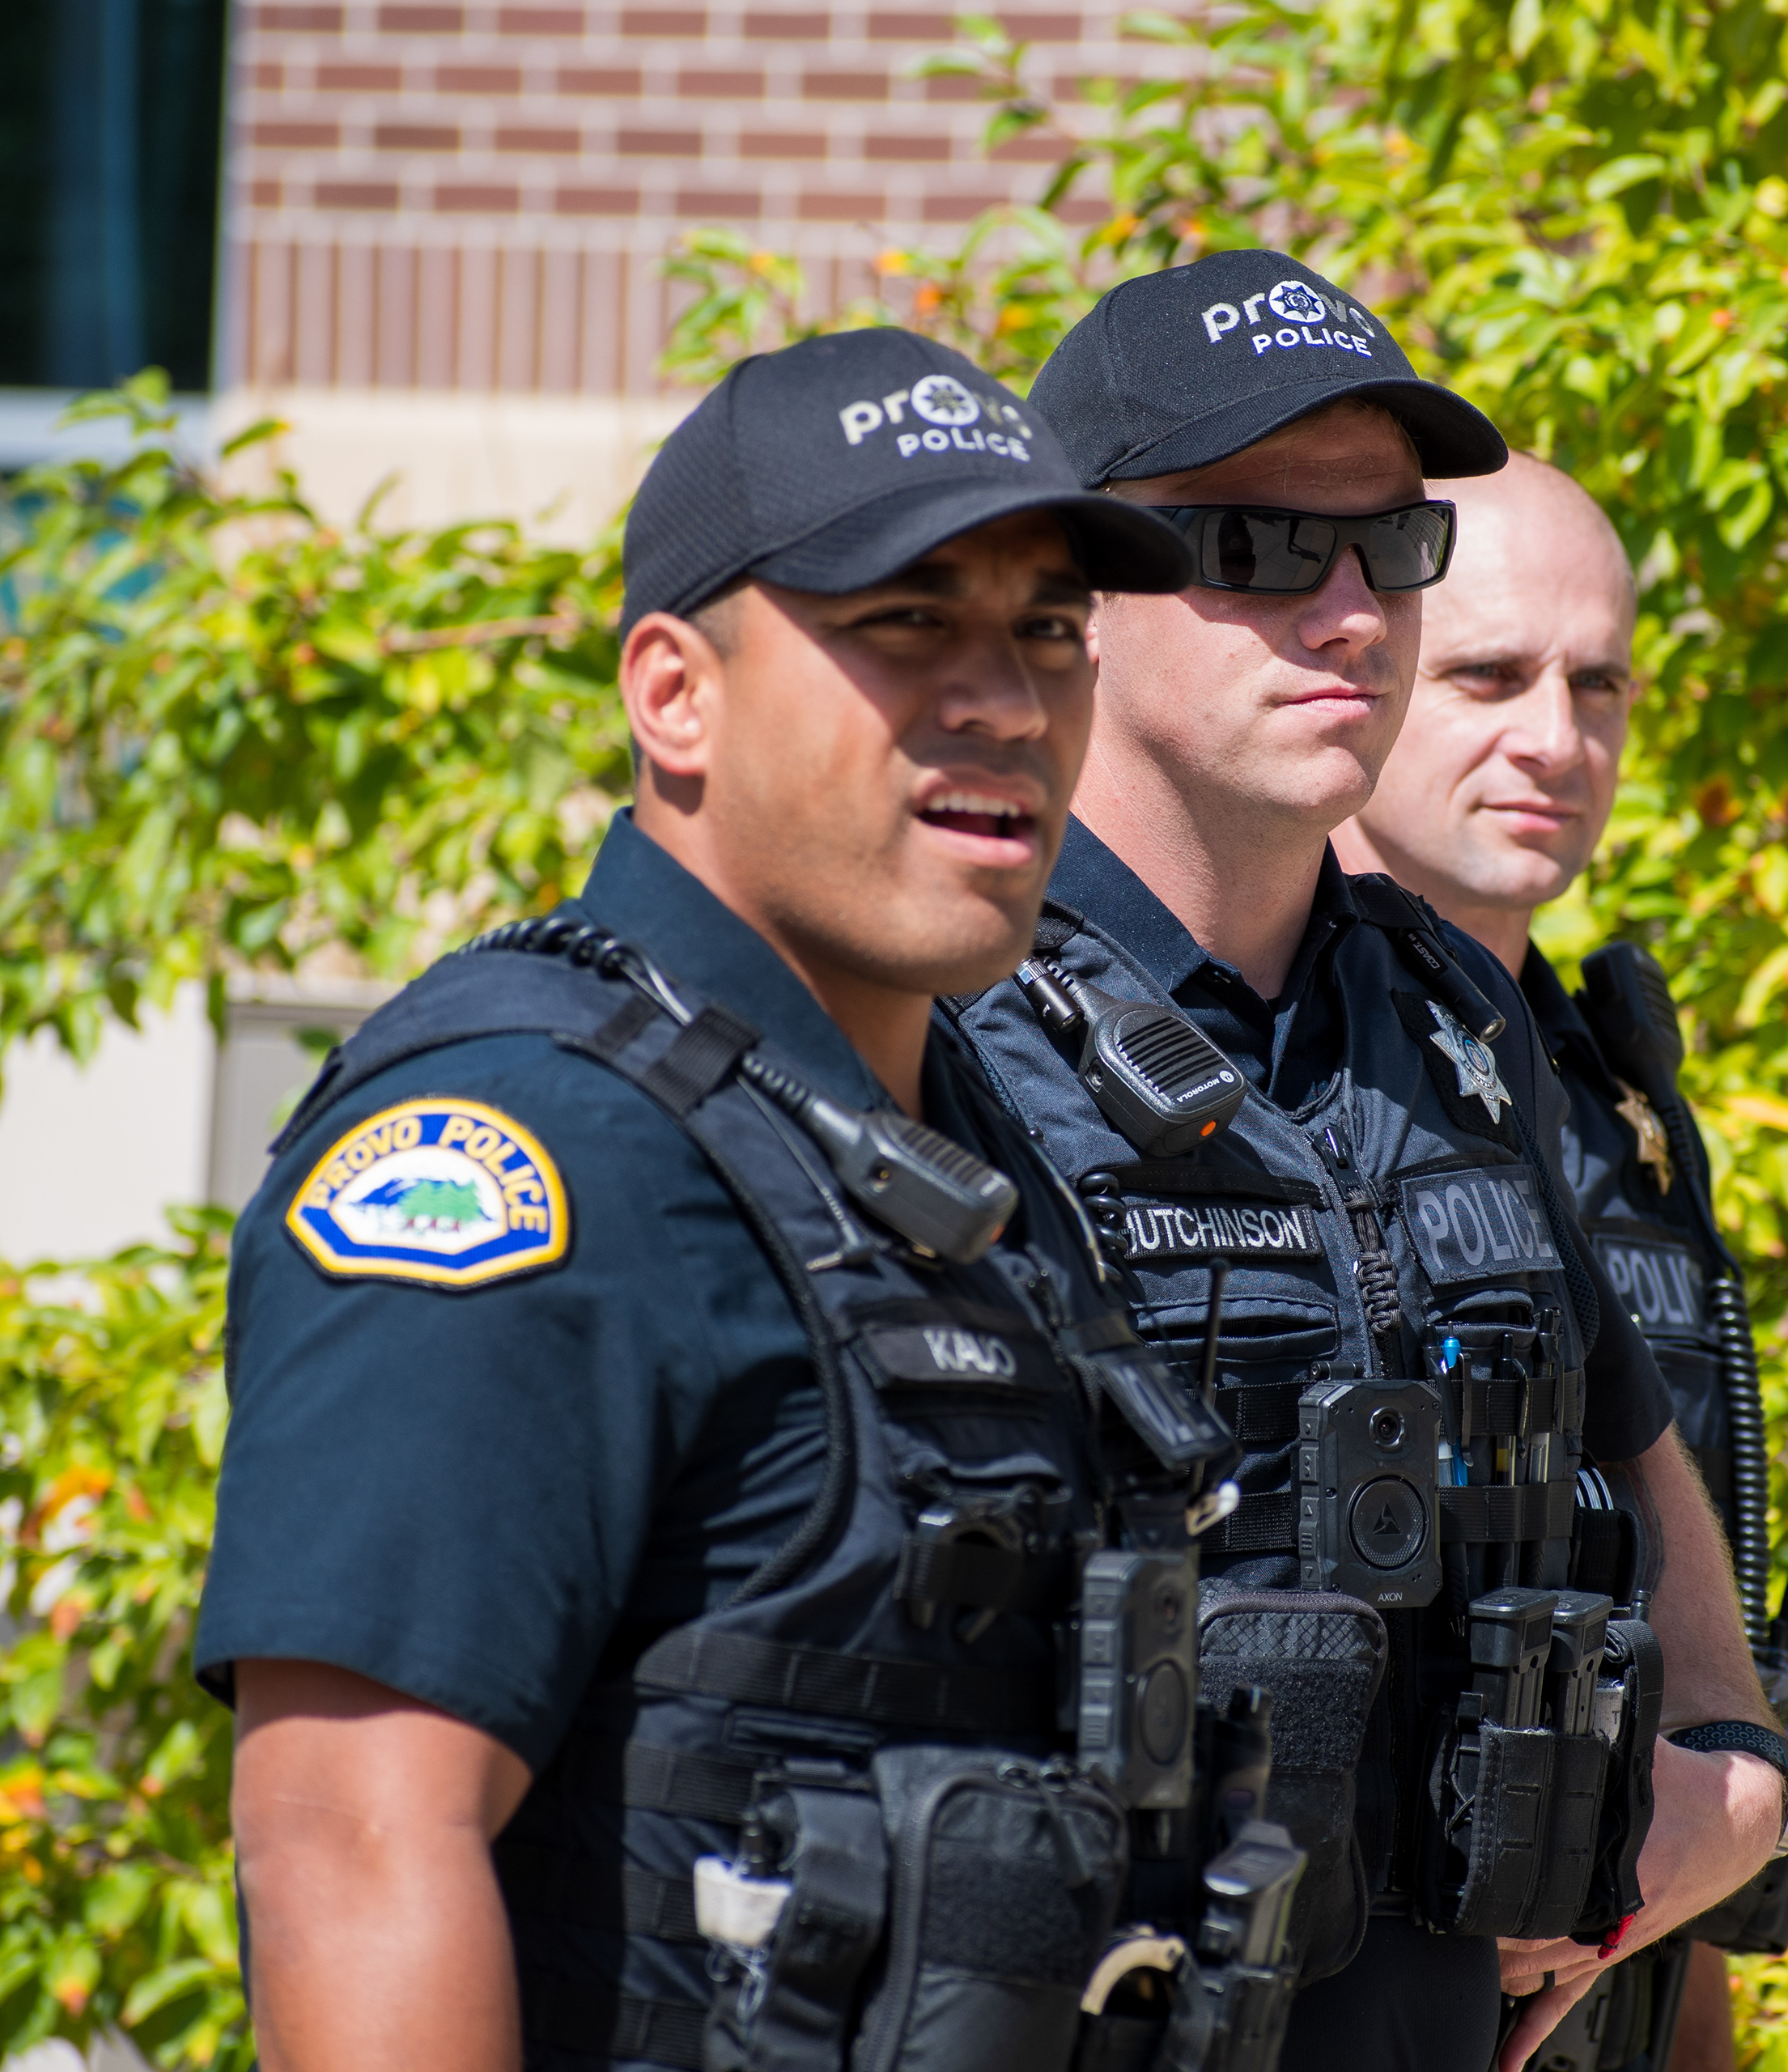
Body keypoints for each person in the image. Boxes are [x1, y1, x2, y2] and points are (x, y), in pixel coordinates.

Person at [191, 329, 1275, 2072]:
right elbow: (356, 1844)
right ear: (673, 693)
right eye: (907, 620)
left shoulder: (963, 1144)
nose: (1002, 695)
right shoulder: (521, 1146)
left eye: (1051, 628)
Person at [945, 250, 1788, 2072]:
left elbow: (1683, 1583)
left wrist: (1726, 1795)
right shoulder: (933, 1020)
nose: (1350, 613)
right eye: (1260, 548)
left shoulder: (1462, 1039)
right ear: (1081, 589)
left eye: (1391, 550)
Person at [1333, 455, 1788, 2072]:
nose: (1557, 736)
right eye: (1488, 674)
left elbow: (1685, 1702)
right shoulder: (1230, 1079)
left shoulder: (1610, 1104)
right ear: (1366, 668)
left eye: (1597, 682)